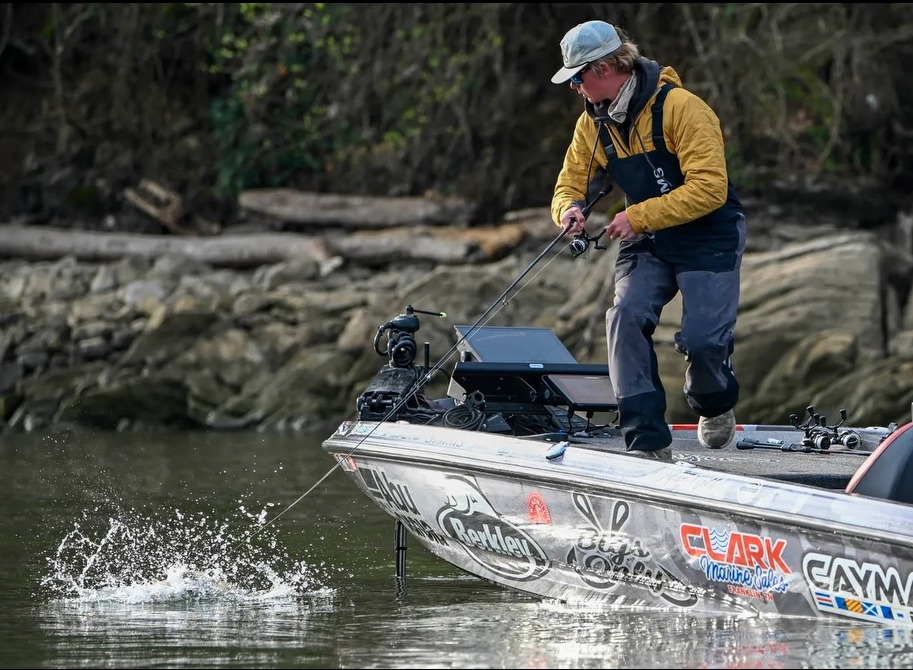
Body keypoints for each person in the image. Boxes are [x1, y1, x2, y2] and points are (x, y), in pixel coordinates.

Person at [550, 20, 746, 462]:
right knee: (624, 316)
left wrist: (636, 216)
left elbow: (710, 188)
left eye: (577, 77)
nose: (575, 88)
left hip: (709, 233)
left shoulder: (683, 109)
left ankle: (714, 403)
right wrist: (568, 210)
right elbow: (569, 184)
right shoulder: (591, 124)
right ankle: (647, 443)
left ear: (604, 68)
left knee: (702, 342)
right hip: (648, 241)